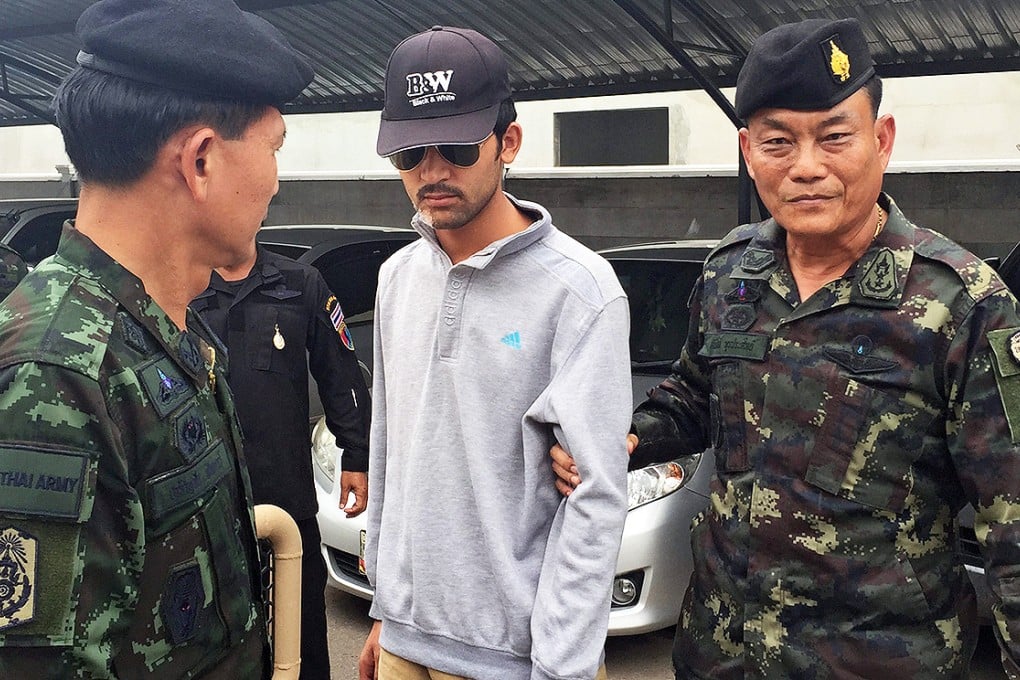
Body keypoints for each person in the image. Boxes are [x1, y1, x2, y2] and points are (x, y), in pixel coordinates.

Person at [552, 17, 1020, 679]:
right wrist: (624, 439)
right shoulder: (729, 273)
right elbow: (693, 395)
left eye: (834, 137)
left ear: (880, 141)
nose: (805, 168)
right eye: (779, 141)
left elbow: (1013, 521)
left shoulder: (962, 302)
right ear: (749, 151)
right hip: (723, 652)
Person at [0, 0, 313, 677]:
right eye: (273, 148)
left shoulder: (161, 323)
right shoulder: (56, 373)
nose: (275, 181)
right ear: (201, 161)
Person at [358, 26, 631, 680]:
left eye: (455, 145)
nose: (432, 170)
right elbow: (391, 445)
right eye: (408, 152)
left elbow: (595, 497)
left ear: (509, 141)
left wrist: (560, 668)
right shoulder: (398, 276)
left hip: (516, 661)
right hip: (404, 643)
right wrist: (385, 611)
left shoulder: (582, 292)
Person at [192, 244, 372, 680]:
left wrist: (357, 455)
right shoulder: (184, 281)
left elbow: (340, 372)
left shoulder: (299, 284)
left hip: (287, 501)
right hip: (205, 508)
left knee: (302, 637)